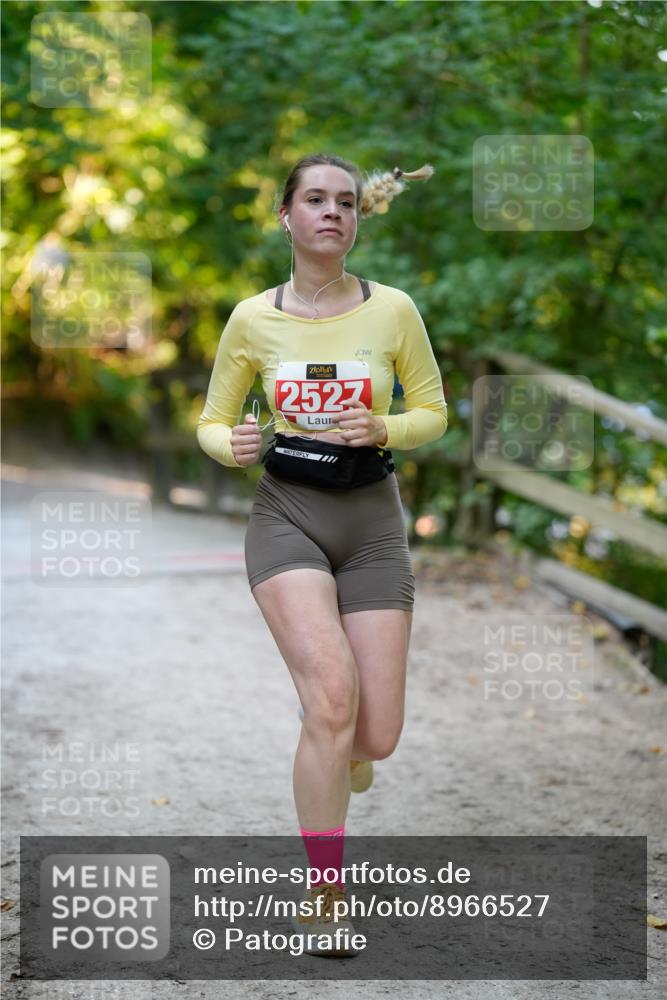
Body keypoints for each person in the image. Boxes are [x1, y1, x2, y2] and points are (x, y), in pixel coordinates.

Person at [196, 153, 448, 956]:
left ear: (356, 220)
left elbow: (435, 412)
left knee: (373, 736)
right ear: (287, 217)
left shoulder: (394, 311)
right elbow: (212, 420)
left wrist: (388, 427)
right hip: (287, 518)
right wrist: (227, 444)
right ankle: (323, 897)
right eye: (314, 199)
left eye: (345, 202)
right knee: (330, 701)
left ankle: (344, 756)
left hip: (372, 522)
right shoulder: (251, 319)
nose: (331, 212)